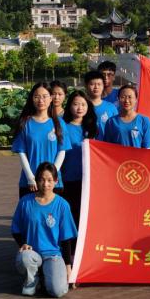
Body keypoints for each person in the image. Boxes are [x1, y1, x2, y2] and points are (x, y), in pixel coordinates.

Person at [11, 162, 78, 297]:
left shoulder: (62, 205)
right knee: (24, 258)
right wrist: (23, 244)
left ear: (56, 181)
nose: (45, 184)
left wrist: (68, 267)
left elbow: (66, 238)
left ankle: (45, 275)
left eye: (49, 180)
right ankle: (32, 280)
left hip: (53, 255)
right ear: (36, 180)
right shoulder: (25, 202)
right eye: (41, 180)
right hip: (32, 253)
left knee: (58, 291)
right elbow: (15, 228)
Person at [12, 83, 71, 198]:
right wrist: (30, 177)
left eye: (45, 96)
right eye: (37, 96)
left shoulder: (58, 123)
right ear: (32, 99)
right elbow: (21, 152)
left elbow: (62, 151)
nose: (41, 100)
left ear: (51, 98)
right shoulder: (25, 123)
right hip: (30, 182)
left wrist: (52, 176)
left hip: (53, 183)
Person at [61, 90, 97, 227]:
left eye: (83, 104)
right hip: (68, 178)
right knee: (71, 215)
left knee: (86, 215)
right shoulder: (63, 127)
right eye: (76, 104)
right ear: (70, 106)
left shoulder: (93, 128)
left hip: (88, 179)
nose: (80, 108)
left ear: (88, 106)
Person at [103, 84, 150, 149]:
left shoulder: (144, 121)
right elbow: (107, 148)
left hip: (138, 156)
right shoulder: (111, 122)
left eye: (130, 97)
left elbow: (147, 148)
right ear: (118, 99)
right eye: (123, 97)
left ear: (136, 99)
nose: (126, 101)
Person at [84, 70, 119, 140]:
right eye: (92, 84)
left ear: (103, 86)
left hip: (106, 146)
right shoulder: (81, 108)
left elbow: (117, 130)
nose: (96, 87)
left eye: (99, 84)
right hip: (86, 145)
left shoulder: (111, 107)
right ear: (86, 86)